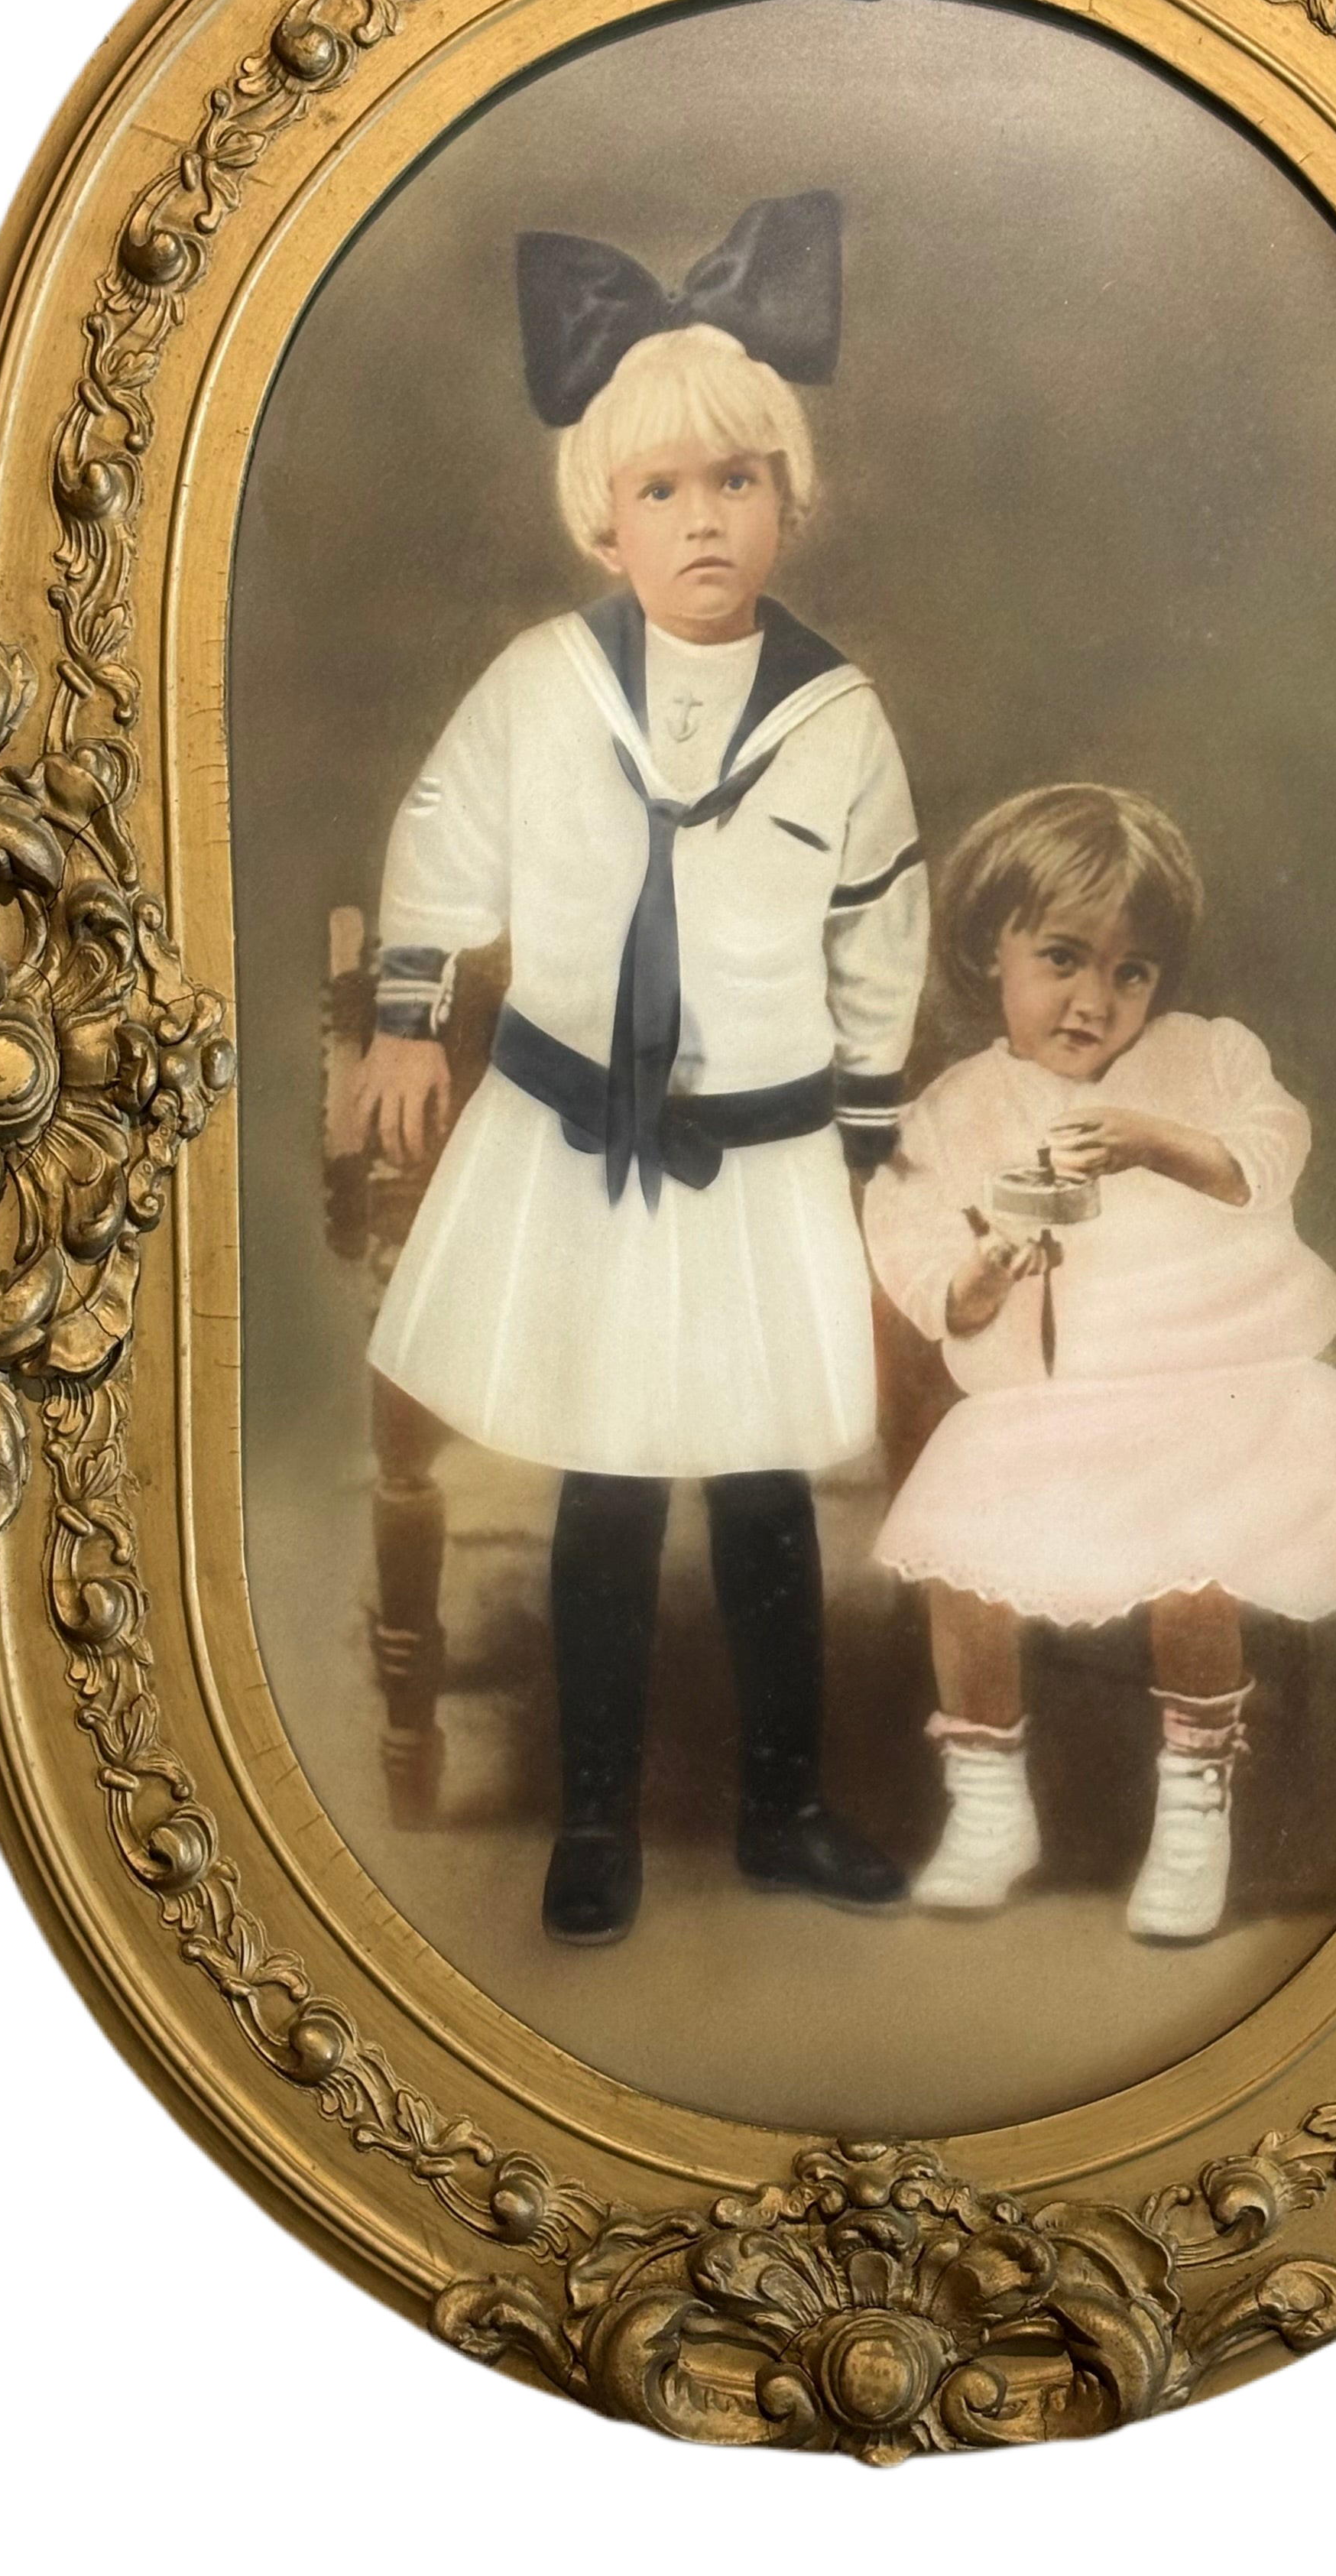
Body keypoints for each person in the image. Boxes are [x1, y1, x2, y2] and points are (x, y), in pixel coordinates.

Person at [351, 192, 929, 1946]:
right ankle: (590, 1818)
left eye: (734, 483)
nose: (700, 518)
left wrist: (861, 1135)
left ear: (788, 502)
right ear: (599, 519)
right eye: (661, 490)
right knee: (607, 1480)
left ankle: (782, 1806)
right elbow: (445, 834)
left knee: (760, 1490)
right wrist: (400, 1010)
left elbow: (875, 924)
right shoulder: (542, 688)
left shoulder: (833, 710)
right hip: (576, 1145)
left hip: (751, 1160)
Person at [863, 784, 1336, 1944]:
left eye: (1130, 972)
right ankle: (991, 1805)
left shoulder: (1206, 1060)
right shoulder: (953, 1110)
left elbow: (1268, 1152)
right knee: (960, 1563)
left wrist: (1159, 1142)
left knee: (1197, 1567)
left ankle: (1193, 1809)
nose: (1093, 1002)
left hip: (1211, 1385)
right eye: (1059, 959)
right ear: (989, 946)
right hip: (1041, 1409)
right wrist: (983, 1271)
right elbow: (910, 1247)